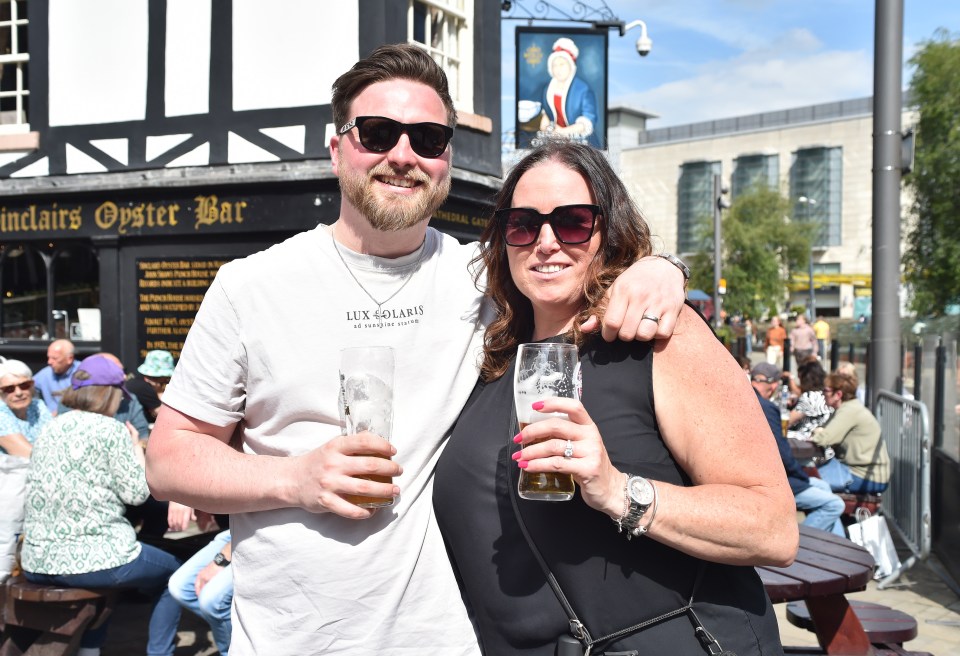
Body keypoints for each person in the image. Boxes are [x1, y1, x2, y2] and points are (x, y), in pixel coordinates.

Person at [145, 44, 688, 655]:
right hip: (286, 641)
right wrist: (293, 478)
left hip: (445, 641)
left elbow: (579, 264)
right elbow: (168, 462)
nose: (402, 155)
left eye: (427, 138)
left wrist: (660, 268)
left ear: (447, 159)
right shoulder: (251, 285)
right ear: (336, 148)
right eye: (377, 133)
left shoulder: (486, 278)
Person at [434, 140, 797, 654]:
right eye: (522, 224)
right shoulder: (492, 357)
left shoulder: (659, 339)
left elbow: (774, 529)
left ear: (609, 231)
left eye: (573, 221)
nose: (546, 242)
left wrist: (618, 491)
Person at [22, 355, 182, 656]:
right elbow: (137, 494)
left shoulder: (50, 428)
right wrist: (136, 448)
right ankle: (160, 653)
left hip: (37, 559)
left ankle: (90, 651)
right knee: (176, 576)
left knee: (107, 581)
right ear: (110, 393)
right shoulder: (111, 430)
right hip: (93, 559)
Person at [750, 362, 846, 537]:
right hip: (775, 480)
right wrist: (802, 476)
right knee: (835, 504)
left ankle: (837, 546)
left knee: (823, 487)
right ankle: (799, 543)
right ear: (773, 386)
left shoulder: (749, 401)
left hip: (765, 474)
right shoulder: (767, 407)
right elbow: (781, 452)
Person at [812, 372, 890, 494]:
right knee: (809, 476)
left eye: (826, 390)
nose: (823, 394)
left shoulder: (849, 411)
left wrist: (817, 432)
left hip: (865, 476)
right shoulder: (848, 408)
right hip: (858, 471)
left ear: (838, 394)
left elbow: (823, 438)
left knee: (810, 482)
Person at [167, 530, 233, 655]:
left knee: (212, 601)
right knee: (181, 587)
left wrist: (220, 560)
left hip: (262, 532)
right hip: (234, 529)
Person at [538, 37, 600, 147]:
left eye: (562, 64)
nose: (558, 69)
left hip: (583, 146)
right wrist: (547, 127)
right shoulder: (548, 90)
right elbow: (546, 117)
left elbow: (587, 123)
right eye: (555, 65)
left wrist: (562, 132)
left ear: (570, 66)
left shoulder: (583, 89)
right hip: (556, 145)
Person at [0, 359, 52, 457]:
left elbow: (54, 438)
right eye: (9, 389)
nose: (18, 393)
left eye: (24, 385)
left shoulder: (38, 406)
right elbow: (27, 454)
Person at [788, 358, 833, 439]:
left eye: (800, 378)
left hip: (806, 443)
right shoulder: (825, 395)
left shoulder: (810, 397)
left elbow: (787, 421)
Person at [33, 338, 80, 414]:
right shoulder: (45, 374)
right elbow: (28, 388)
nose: (49, 362)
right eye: (48, 357)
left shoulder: (83, 372)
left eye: (55, 358)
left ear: (70, 359)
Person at [127, 350, 175, 424]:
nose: (167, 379)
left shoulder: (136, 381)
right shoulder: (144, 388)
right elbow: (163, 415)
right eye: (167, 377)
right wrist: (159, 392)